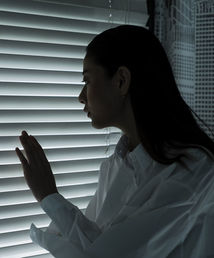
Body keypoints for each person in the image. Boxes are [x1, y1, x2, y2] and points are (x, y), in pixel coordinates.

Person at [15, 25, 214, 258]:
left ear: (121, 81)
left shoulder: (192, 171)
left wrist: (49, 195)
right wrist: (48, 196)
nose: (81, 97)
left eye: (87, 80)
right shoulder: (113, 167)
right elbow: (89, 242)